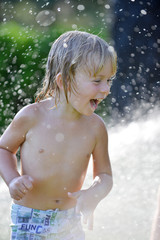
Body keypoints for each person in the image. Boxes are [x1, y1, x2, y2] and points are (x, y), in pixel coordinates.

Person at [0, 30, 117, 240]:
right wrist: (12, 180)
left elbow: (105, 175)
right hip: (29, 220)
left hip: (70, 221)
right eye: (97, 80)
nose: (106, 89)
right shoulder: (32, 116)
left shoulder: (95, 128)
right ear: (64, 81)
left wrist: (94, 193)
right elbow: (3, 149)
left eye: (109, 80)